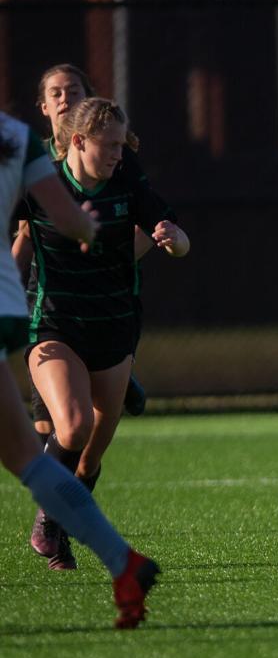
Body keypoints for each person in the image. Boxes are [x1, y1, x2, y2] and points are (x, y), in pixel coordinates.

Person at [0, 108, 159, 627]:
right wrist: (80, 225)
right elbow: (65, 216)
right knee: (33, 454)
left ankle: (117, 559)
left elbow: (64, 216)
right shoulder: (20, 139)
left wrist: (87, 228)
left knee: (57, 442)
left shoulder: (18, 143)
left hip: (53, 318)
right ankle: (122, 562)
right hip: (19, 313)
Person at [18, 96, 189, 571]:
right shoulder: (39, 182)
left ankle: (62, 529)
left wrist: (174, 242)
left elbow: (176, 231)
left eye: (121, 144)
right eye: (109, 145)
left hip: (114, 328)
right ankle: (48, 524)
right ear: (78, 141)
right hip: (55, 324)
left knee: (89, 461)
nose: (119, 153)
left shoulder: (127, 181)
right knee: (72, 425)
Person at [16, 64, 152, 444]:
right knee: (51, 424)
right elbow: (24, 235)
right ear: (43, 107)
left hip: (108, 300)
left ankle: (117, 376)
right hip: (51, 294)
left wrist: (108, 258)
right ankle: (52, 497)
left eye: (73, 91)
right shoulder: (38, 165)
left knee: (88, 436)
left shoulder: (114, 154)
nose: (65, 99)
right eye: (56, 93)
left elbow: (151, 220)